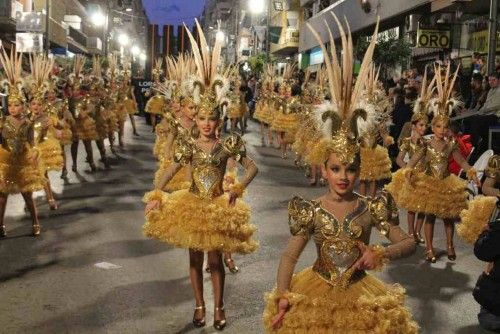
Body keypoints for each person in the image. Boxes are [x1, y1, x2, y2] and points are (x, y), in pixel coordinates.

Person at [263, 17, 418, 333]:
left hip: (362, 297)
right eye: (336, 169)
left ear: (360, 170)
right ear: (324, 170)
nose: (343, 176)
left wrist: (381, 252)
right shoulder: (311, 210)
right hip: (316, 292)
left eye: (350, 169)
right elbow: (290, 257)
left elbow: (408, 243)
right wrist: (282, 293)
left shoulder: (371, 208)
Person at [143, 20, 259, 331]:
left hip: (219, 204)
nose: (207, 124)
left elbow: (252, 167)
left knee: (216, 261)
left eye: (212, 118)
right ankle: (199, 305)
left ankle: (219, 306)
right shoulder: (189, 145)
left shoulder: (229, 143)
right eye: (203, 118)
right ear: (199, 118)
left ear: (219, 118)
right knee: (194, 261)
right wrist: (156, 196)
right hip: (192, 204)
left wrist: (237, 189)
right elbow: (169, 172)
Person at [404, 64, 480, 263]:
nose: (442, 129)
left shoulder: (451, 144)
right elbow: (414, 159)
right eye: (438, 126)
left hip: (446, 182)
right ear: (433, 126)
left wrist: (470, 170)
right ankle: (429, 248)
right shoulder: (426, 143)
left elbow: (460, 160)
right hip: (430, 183)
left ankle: (449, 244)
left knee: (447, 217)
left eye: (445, 127)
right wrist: (408, 170)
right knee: (429, 216)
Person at [0, 48, 45, 237]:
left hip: (23, 162)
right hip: (6, 161)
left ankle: (35, 222)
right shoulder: (2, 121)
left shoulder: (28, 123)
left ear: (23, 106)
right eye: (10, 104)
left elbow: (32, 142)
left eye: (16, 105)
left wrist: (34, 153)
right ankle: (0, 226)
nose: (13, 108)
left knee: (27, 195)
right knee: (2, 195)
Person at [386, 69, 434, 244]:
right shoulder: (407, 141)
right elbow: (399, 159)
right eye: (421, 125)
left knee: (423, 206)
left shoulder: (428, 142)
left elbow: (430, 159)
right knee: (413, 207)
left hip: (424, 176)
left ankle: (418, 232)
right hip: (411, 175)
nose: (424, 128)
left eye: (426, 126)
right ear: (414, 125)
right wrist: (407, 169)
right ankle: (411, 232)